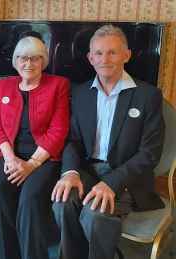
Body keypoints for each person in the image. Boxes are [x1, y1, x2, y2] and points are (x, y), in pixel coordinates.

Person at [51, 24, 165, 259]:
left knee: (96, 213)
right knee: (63, 202)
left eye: (113, 52)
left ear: (126, 55)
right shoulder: (81, 93)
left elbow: (149, 153)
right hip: (87, 170)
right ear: (90, 58)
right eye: (99, 53)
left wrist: (111, 182)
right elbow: (72, 140)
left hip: (126, 177)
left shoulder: (148, 95)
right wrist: (70, 172)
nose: (105, 59)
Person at [0, 35, 70, 259]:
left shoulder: (58, 85)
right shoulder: (3, 85)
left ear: (43, 61)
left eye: (35, 58)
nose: (28, 64)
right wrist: (10, 157)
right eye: (23, 58)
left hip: (43, 157)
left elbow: (59, 130)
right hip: (9, 155)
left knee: (30, 199)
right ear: (15, 61)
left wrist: (31, 164)